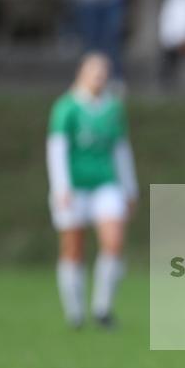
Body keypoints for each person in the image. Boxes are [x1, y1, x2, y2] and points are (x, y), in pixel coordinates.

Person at [46, 53, 138, 330]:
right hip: (74, 188)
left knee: (114, 241)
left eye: (103, 72)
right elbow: (57, 150)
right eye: (94, 72)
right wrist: (61, 187)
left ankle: (102, 308)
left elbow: (121, 149)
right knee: (73, 248)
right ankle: (75, 312)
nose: (99, 77)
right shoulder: (66, 107)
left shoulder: (112, 108)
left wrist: (129, 187)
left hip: (106, 184)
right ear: (82, 73)